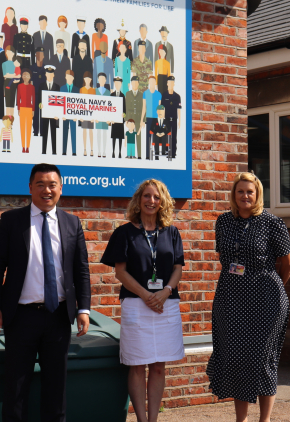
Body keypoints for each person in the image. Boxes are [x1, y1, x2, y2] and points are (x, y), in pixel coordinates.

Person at [0, 164, 91, 422]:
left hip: (58, 317)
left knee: (56, 388)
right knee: (16, 387)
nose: (47, 190)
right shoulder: (12, 221)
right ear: (30, 187)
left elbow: (81, 269)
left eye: (52, 184)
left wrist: (84, 309)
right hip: (20, 316)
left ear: (61, 188)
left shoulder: (71, 223)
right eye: (41, 184)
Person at [206, 172, 290, 422]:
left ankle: (264, 420)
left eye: (250, 192)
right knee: (235, 358)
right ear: (234, 195)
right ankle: (240, 420)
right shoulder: (223, 222)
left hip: (266, 300)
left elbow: (289, 261)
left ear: (257, 196)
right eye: (240, 191)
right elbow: (225, 258)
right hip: (230, 298)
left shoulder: (271, 222)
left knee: (263, 358)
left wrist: (275, 287)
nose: (245, 196)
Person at [100, 179, 185, 422]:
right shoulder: (124, 233)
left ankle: (153, 419)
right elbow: (120, 272)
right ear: (139, 200)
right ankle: (140, 419)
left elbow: (178, 268)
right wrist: (146, 294)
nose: (151, 201)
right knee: (137, 365)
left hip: (165, 304)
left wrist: (166, 291)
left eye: (156, 197)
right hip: (137, 304)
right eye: (147, 196)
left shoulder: (172, 232)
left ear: (163, 202)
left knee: (159, 366)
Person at [40, 65, 61, 155]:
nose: (49, 75)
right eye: (48, 74)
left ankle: (54, 151)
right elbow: (39, 100)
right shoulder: (41, 85)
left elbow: (59, 102)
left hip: (54, 114)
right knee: (44, 132)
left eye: (51, 74)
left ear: (54, 75)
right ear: (45, 74)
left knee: (53, 132)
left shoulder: (57, 87)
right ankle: (44, 151)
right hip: (45, 113)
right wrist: (40, 105)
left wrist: (58, 115)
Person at [160, 76, 181, 159]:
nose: (171, 84)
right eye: (169, 82)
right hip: (166, 119)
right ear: (167, 83)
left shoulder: (177, 97)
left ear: (174, 84)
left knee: (174, 136)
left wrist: (180, 120)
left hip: (174, 119)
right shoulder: (164, 95)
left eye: (172, 82)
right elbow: (162, 108)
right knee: (165, 135)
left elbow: (179, 109)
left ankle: (173, 153)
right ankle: (165, 151)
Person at [142, 76, 161, 160]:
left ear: (155, 83)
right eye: (150, 81)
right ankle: (147, 154)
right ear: (149, 82)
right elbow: (144, 107)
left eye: (153, 81)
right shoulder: (145, 93)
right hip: (148, 117)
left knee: (156, 137)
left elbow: (160, 108)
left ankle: (156, 154)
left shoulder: (159, 94)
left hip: (156, 118)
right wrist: (142, 119)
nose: (152, 83)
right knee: (148, 137)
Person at [125, 77, 144, 161]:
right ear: (131, 84)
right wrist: (126, 119)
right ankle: (130, 154)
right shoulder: (128, 94)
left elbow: (144, 107)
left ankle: (139, 155)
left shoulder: (142, 94)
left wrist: (143, 120)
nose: (135, 84)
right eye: (133, 83)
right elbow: (126, 106)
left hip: (139, 118)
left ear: (138, 84)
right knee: (130, 136)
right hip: (131, 118)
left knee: (138, 136)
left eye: (136, 83)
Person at [60, 70, 78, 156]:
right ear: (65, 77)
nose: (69, 78)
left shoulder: (76, 89)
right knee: (65, 132)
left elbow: (79, 104)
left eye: (71, 77)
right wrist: (61, 114)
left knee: (73, 133)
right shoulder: (62, 88)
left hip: (73, 115)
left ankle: (74, 151)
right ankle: (64, 151)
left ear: (73, 78)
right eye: (68, 76)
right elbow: (60, 102)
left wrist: (77, 116)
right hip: (64, 114)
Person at [31, 49, 48, 137]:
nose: (40, 56)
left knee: (42, 113)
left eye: (41, 55)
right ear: (35, 55)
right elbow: (30, 82)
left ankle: (42, 131)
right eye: (38, 54)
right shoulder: (32, 68)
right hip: (34, 94)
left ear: (44, 56)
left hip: (43, 95)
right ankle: (35, 130)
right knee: (35, 112)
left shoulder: (46, 68)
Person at [17, 70, 35, 153]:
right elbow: (18, 98)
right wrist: (19, 109)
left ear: (30, 77)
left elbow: (33, 99)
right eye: (24, 75)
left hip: (29, 109)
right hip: (22, 109)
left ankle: (28, 146)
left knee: (28, 129)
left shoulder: (32, 87)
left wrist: (33, 110)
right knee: (22, 128)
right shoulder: (20, 86)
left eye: (27, 75)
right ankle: (23, 146)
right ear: (22, 77)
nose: (25, 77)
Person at [79, 71, 96, 157]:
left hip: (91, 113)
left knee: (90, 131)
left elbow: (95, 103)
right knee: (84, 130)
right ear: (84, 79)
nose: (87, 80)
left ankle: (92, 149)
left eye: (89, 79)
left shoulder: (93, 90)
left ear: (91, 80)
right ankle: (85, 149)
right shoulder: (81, 89)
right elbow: (79, 103)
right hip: (84, 113)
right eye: (86, 79)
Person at [95, 73, 111, 158]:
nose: (101, 81)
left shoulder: (108, 92)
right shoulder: (95, 91)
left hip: (105, 116)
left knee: (104, 134)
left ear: (105, 80)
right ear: (98, 80)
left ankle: (104, 151)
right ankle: (99, 151)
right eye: (100, 79)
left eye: (103, 79)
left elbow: (110, 105)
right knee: (98, 133)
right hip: (97, 116)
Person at [2, 46, 21, 118]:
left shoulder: (15, 63)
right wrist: (13, 75)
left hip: (14, 83)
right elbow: (5, 75)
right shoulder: (4, 64)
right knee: (7, 101)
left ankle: (11, 118)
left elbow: (19, 75)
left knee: (12, 100)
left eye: (12, 52)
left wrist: (15, 77)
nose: (10, 54)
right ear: (6, 53)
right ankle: (7, 118)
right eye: (8, 52)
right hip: (7, 82)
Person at [110, 76, 126, 158]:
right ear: (114, 84)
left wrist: (124, 116)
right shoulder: (111, 95)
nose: (117, 85)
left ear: (121, 84)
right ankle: (113, 151)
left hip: (120, 120)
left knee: (120, 137)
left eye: (119, 83)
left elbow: (125, 109)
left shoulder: (123, 96)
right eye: (116, 83)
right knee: (114, 137)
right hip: (114, 120)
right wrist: (110, 118)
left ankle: (119, 152)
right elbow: (109, 108)